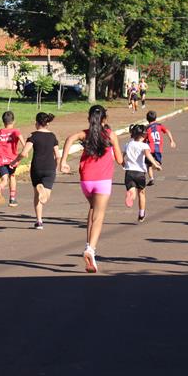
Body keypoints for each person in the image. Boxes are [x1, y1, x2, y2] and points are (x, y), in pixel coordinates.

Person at [59, 105, 124, 273]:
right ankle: (91, 250)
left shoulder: (84, 134)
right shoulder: (110, 135)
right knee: (99, 216)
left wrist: (63, 161)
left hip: (86, 181)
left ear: (89, 119)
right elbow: (119, 159)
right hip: (102, 181)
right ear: (105, 119)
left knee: (93, 209)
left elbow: (69, 138)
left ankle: (89, 245)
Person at [12, 112, 60, 230]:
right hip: (49, 167)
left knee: (36, 195)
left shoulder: (33, 136)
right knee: (45, 196)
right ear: (47, 123)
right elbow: (57, 156)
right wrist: (57, 167)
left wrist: (15, 161)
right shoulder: (53, 136)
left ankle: (39, 221)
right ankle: (44, 191)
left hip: (36, 168)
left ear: (36, 123)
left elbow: (24, 153)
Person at [122, 124, 162, 223]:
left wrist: (124, 164)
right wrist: (155, 164)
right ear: (143, 136)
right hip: (140, 173)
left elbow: (121, 156)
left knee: (133, 193)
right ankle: (141, 214)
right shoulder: (144, 145)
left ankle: (130, 195)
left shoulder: (127, 144)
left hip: (129, 172)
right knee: (142, 194)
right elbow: (148, 155)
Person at [0, 111, 23, 207]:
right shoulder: (15, 131)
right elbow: (19, 135)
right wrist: (24, 146)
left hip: (0, 159)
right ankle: (12, 199)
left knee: (4, 179)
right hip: (12, 160)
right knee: (12, 176)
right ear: (14, 121)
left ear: (3, 121)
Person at [145, 110, 177, 186]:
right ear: (156, 118)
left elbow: (144, 138)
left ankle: (152, 177)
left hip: (149, 148)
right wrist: (171, 141)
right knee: (157, 162)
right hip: (158, 148)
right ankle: (156, 166)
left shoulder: (147, 128)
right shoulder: (159, 125)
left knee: (148, 165)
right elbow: (168, 131)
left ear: (147, 119)